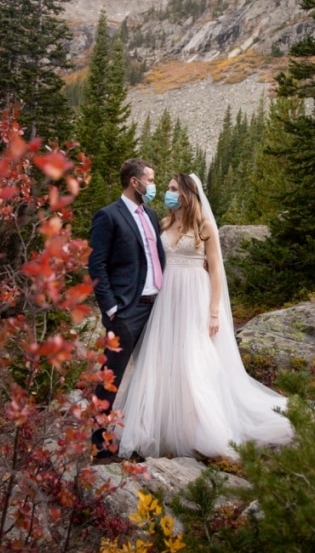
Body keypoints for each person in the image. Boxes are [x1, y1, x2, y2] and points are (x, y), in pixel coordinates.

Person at [113, 173, 293, 460]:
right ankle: (155, 424)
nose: (168, 193)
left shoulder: (206, 226)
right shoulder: (165, 222)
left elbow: (217, 270)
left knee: (193, 358)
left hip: (194, 296)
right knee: (164, 357)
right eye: (168, 188)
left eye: (173, 189)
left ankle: (197, 428)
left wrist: (213, 311)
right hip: (166, 297)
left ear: (187, 193)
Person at [88, 158, 166, 462]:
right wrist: (110, 307)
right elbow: (97, 265)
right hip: (126, 310)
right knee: (110, 378)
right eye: (150, 179)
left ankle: (141, 438)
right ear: (135, 182)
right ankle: (101, 447)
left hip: (155, 308)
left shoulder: (152, 214)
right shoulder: (108, 216)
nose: (153, 185)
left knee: (151, 374)